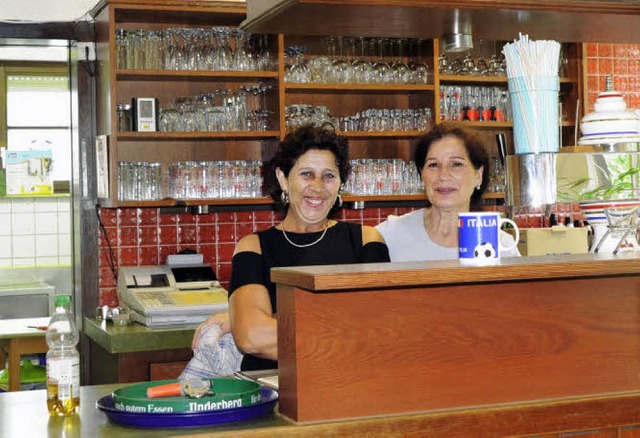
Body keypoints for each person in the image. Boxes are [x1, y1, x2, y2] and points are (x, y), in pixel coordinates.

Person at [193, 125, 390, 372]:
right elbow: (253, 337)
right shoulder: (254, 247)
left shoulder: (366, 240)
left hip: (347, 386)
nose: (318, 187)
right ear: (283, 179)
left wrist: (275, 320)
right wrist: (346, 330)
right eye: (307, 174)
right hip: (272, 389)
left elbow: (379, 331)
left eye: (329, 176)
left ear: (340, 183)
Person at [376, 122, 520, 262]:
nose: (443, 175)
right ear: (421, 176)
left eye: (456, 164)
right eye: (433, 165)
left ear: (478, 175)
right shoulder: (389, 235)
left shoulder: (502, 245)